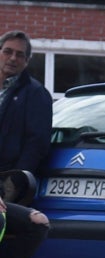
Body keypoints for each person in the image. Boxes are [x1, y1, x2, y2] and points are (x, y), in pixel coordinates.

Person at [0, 31, 52, 175]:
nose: (12, 58)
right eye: (8, 52)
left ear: (27, 61)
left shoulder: (35, 93)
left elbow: (37, 144)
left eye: (20, 55)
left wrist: (15, 181)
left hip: (5, 183)